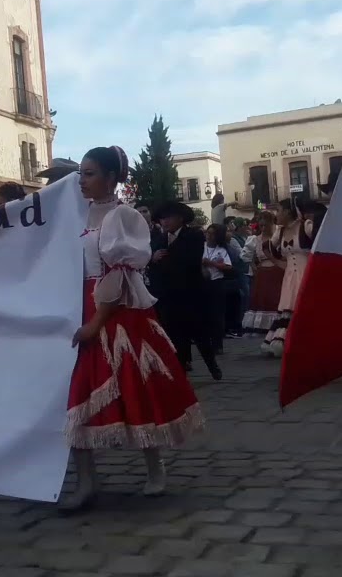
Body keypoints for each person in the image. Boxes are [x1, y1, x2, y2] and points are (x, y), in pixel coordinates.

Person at [61, 146, 206, 511]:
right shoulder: (76, 214)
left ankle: (154, 467)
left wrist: (96, 322)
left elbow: (120, 275)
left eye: (90, 173)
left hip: (115, 312)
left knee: (135, 385)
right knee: (74, 395)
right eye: (81, 173)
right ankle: (86, 481)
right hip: (78, 307)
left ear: (111, 177)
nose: (82, 180)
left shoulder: (121, 216)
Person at [148, 202, 222, 379]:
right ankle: (180, 369)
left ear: (180, 218)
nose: (165, 222)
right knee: (174, 334)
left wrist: (164, 259)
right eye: (162, 219)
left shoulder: (193, 235)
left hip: (190, 293)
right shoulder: (159, 239)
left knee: (199, 332)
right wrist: (153, 258)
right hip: (168, 295)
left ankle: (211, 364)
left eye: (169, 218)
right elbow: (151, 261)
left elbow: (190, 260)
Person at [260, 198, 322, 358]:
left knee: (304, 307)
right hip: (289, 277)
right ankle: (286, 342)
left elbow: (321, 245)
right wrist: (277, 261)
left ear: (288, 212)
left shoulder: (305, 226)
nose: (276, 214)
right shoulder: (280, 232)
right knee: (288, 307)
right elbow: (269, 249)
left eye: (279, 210)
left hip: (307, 275)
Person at [242, 212, 284, 339]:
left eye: (266, 225)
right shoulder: (255, 239)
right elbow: (246, 256)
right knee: (262, 300)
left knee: (275, 300)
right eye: (261, 226)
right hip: (263, 273)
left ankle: (276, 326)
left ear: (272, 224)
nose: (264, 228)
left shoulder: (279, 238)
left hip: (278, 273)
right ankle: (261, 327)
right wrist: (254, 268)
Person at [202, 224, 233, 356]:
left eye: (212, 234)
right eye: (208, 233)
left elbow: (228, 266)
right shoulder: (201, 247)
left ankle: (217, 344)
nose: (209, 236)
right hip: (202, 282)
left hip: (217, 282)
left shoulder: (221, 250)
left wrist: (212, 263)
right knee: (204, 314)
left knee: (217, 315)